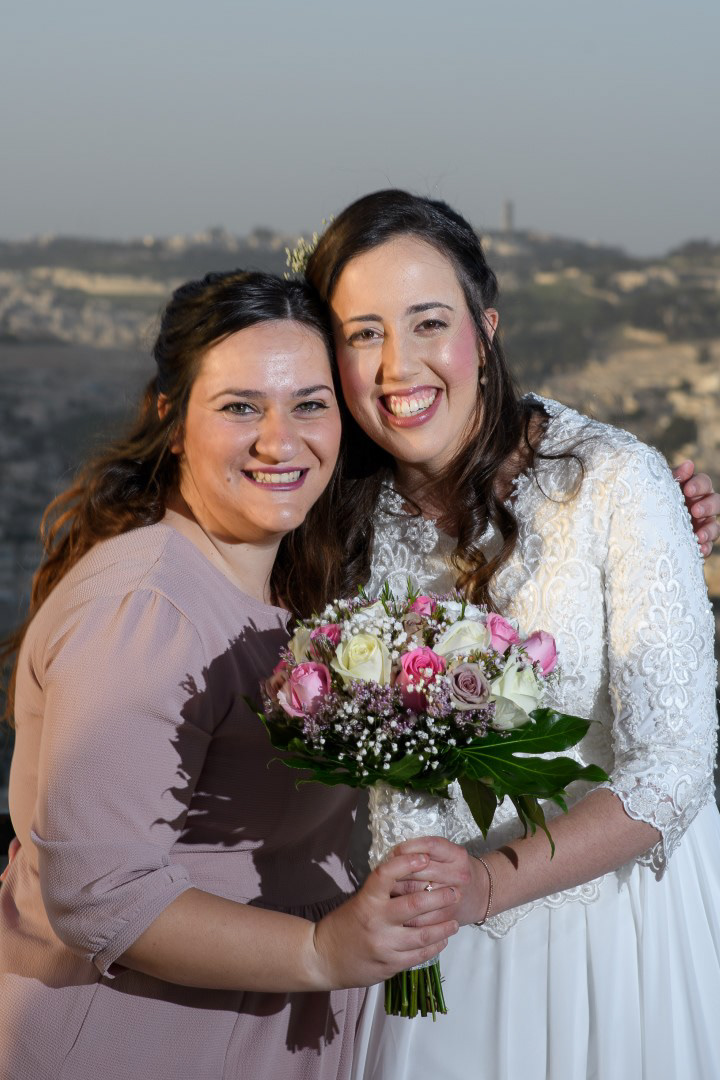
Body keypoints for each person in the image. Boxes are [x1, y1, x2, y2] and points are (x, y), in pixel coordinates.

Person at [0, 270, 461, 1080]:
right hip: (140, 1043)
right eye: (241, 407)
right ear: (171, 420)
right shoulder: (145, 611)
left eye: (310, 405)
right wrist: (320, 951)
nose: (280, 442)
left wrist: (647, 514)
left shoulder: (289, 586)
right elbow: (101, 895)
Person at [304, 191, 720, 1080]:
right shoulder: (328, 512)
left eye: (428, 322)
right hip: (409, 948)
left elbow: (674, 766)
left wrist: (487, 884)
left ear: (485, 328)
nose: (397, 365)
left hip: (600, 945)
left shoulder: (615, 481)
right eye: (364, 333)